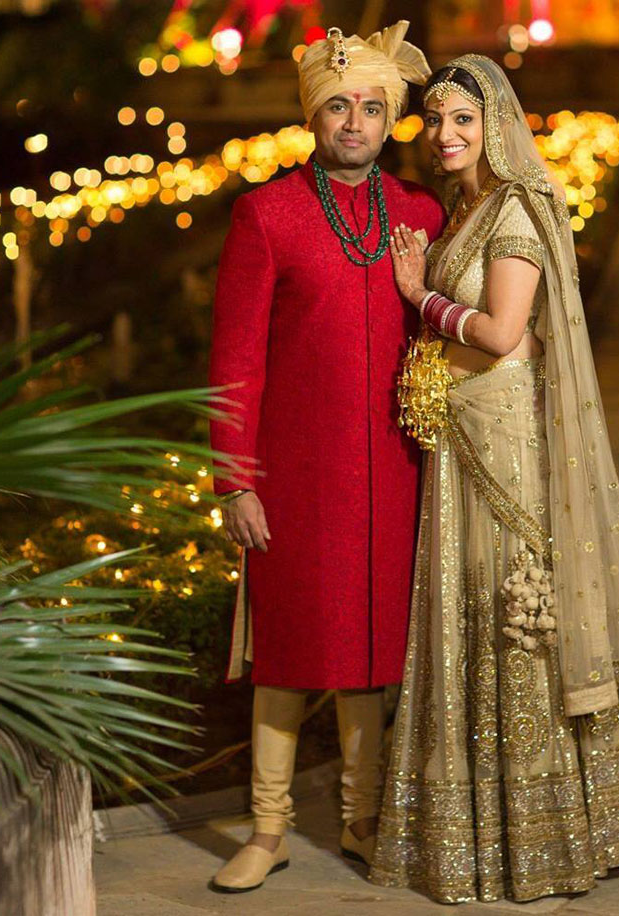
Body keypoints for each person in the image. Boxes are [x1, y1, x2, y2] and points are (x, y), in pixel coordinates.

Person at [368, 55, 619, 904]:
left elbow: (503, 332)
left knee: (512, 614)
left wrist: (420, 296)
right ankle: (472, 833)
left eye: (463, 119)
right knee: (461, 607)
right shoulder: (466, 208)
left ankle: (541, 838)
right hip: (461, 432)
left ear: (496, 124)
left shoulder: (515, 210)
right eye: (436, 119)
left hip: (502, 442)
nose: (446, 134)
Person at [207, 22, 445, 894]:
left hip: (398, 471)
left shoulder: (422, 213)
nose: (355, 122)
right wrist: (236, 479)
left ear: (390, 120)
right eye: (339, 106)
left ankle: (362, 817)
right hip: (296, 477)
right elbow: (234, 361)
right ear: (313, 115)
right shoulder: (266, 215)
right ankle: (268, 827)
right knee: (287, 647)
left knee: (372, 652)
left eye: (372, 108)